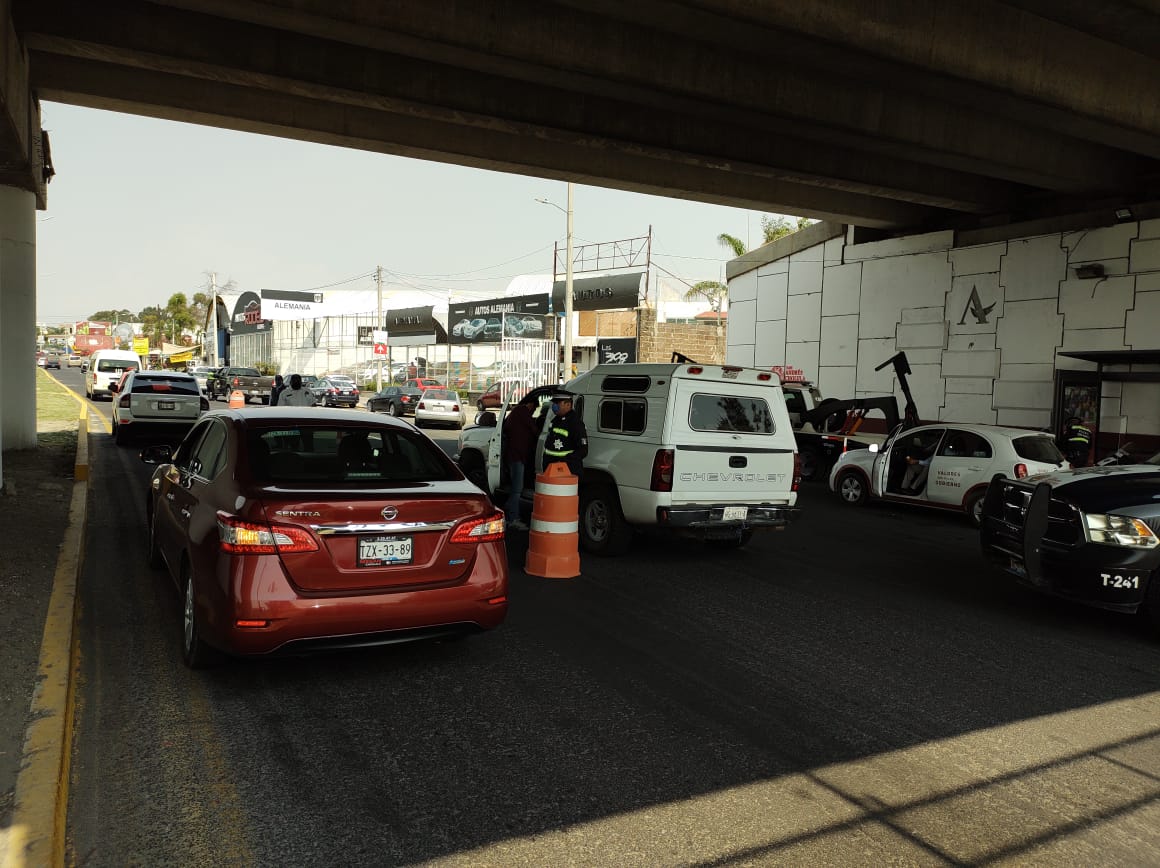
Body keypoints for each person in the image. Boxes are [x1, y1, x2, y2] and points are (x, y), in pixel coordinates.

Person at [502, 398, 538, 530]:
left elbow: (506, 428)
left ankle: (507, 510)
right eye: (533, 409)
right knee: (517, 489)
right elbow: (535, 430)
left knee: (515, 488)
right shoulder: (523, 412)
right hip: (518, 456)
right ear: (531, 404)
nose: (533, 412)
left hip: (512, 455)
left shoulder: (515, 413)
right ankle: (513, 518)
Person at [542, 391, 587, 478]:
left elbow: (583, 450)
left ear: (568, 404)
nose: (554, 406)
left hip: (566, 472)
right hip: (550, 469)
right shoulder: (555, 420)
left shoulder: (575, 423)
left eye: (557, 403)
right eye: (554, 403)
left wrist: (563, 461)